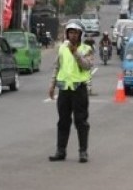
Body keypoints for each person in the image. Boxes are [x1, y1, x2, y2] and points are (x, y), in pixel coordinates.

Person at [48, 19, 94, 163]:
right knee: (63, 121)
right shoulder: (62, 48)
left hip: (79, 89)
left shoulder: (87, 49)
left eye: (76, 33)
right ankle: (60, 151)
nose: (73, 35)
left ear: (81, 34)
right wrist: (52, 84)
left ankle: (83, 152)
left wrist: (76, 53)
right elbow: (57, 66)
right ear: (67, 34)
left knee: (81, 122)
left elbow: (87, 66)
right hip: (64, 89)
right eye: (71, 32)